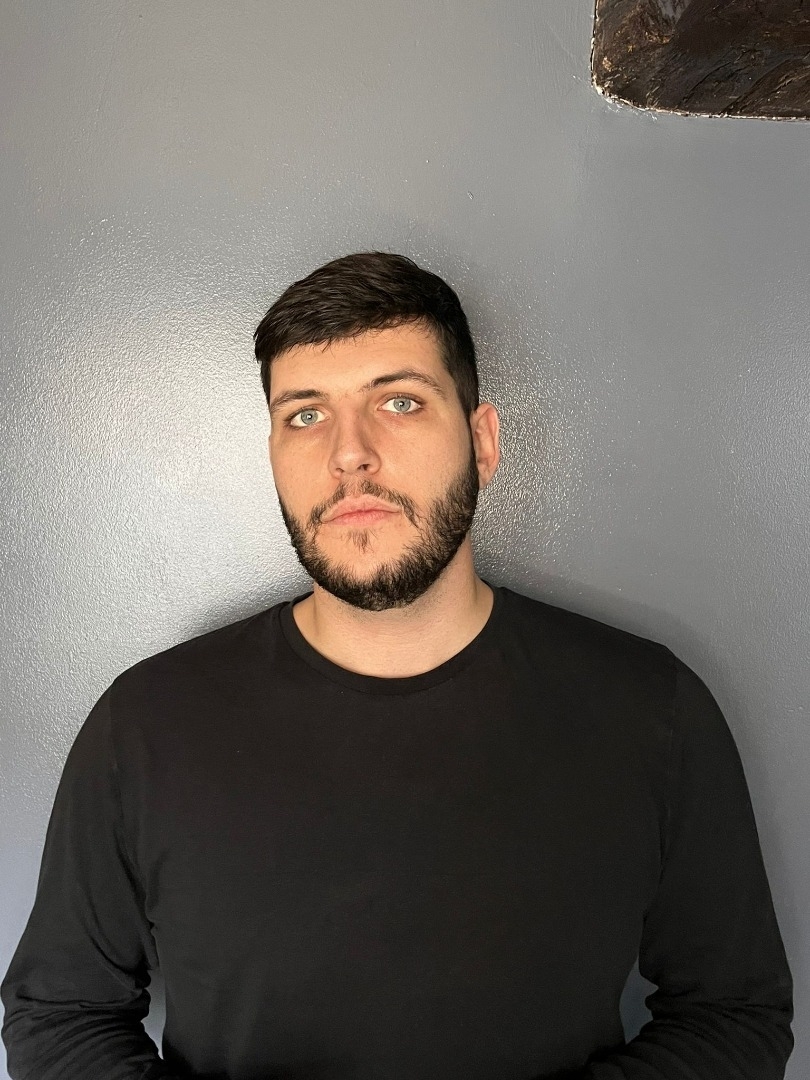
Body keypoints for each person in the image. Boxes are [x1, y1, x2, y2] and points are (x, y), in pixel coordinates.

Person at [1, 252, 793, 1080]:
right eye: (306, 415)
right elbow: (60, 1017)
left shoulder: (650, 710)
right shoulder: (147, 723)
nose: (350, 454)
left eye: (400, 402)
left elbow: (733, 1015)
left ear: (482, 443)